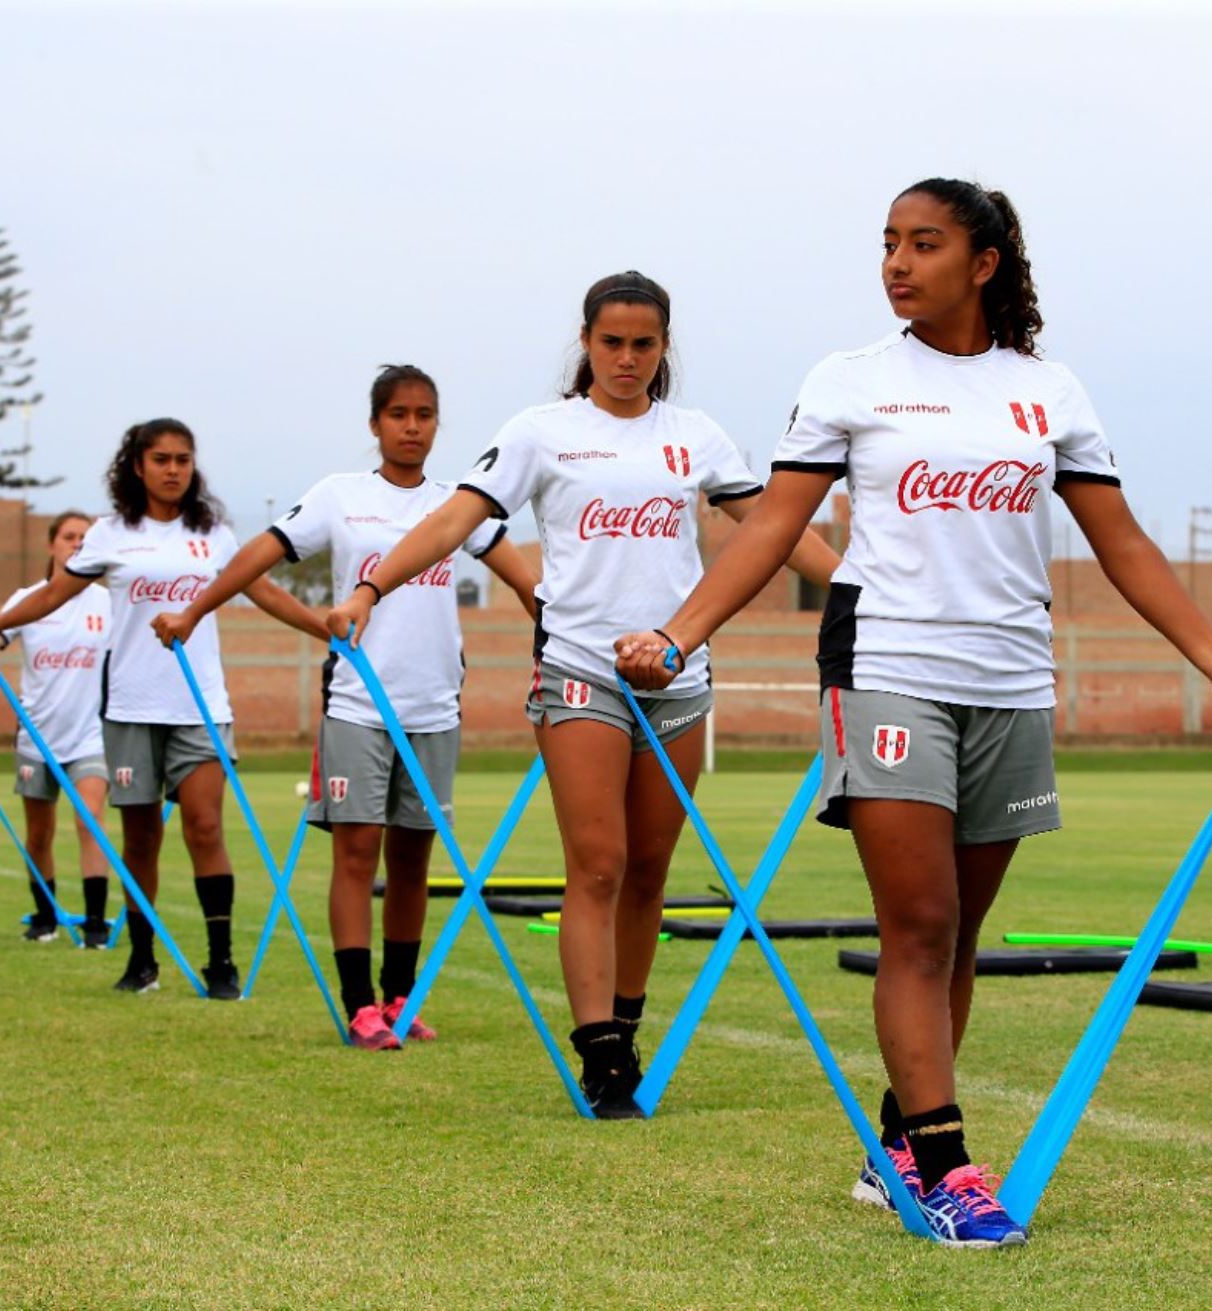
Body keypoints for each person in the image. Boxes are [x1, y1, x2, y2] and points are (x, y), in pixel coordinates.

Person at [613, 180, 1212, 1244]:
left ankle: (895, 1151)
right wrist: (680, 633)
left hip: (1013, 684)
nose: (896, 262)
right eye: (888, 242)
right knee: (917, 927)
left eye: (924, 244)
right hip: (887, 669)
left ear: (982, 263)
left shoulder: (1050, 391)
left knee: (958, 934)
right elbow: (768, 529)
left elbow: (1122, 543)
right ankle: (947, 1166)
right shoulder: (851, 381)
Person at [327, 273, 840, 1113]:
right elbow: (454, 521)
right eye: (612, 343)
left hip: (676, 677)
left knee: (647, 871)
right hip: (578, 672)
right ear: (586, 343)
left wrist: (861, 586)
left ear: (664, 346)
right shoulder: (543, 432)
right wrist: (371, 588)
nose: (627, 359)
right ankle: (601, 1052)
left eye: (644, 344)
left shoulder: (696, 436)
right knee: (596, 863)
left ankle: (627, 1027)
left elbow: (774, 528)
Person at [152, 364, 539, 1050]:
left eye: (424, 414)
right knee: (358, 853)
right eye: (398, 414)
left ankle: (401, 997)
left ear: (437, 423)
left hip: (435, 707)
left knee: (415, 862)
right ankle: (360, 1005)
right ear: (375, 424)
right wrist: (191, 612)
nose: (412, 426)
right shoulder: (339, 496)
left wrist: (562, 626)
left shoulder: (460, 503)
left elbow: (526, 582)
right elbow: (255, 558)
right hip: (359, 703)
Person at [0, 418, 331, 998]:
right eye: (161, 459)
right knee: (139, 841)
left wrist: (327, 632)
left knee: (206, 826)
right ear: (137, 465)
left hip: (200, 706)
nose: (174, 469)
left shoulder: (215, 536)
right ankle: (141, 959)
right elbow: (53, 592)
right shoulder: (109, 534)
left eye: (183, 459)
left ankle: (220, 962)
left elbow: (266, 593)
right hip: (130, 709)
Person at [0, 511, 113, 945]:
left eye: (86, 538)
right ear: (51, 545)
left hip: (91, 736)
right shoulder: (27, 600)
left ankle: (94, 924)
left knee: (90, 821)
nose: (77, 544)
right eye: (69, 537)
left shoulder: (108, 604)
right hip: (36, 738)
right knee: (39, 831)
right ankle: (45, 916)